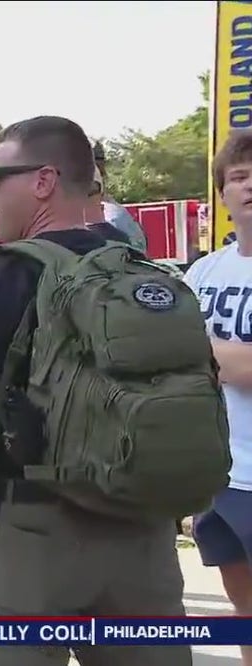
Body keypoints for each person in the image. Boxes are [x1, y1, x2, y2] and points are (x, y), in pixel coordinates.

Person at [0, 117, 193, 666]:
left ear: (44, 181)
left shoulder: (5, 275)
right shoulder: (144, 271)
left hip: (30, 534)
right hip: (142, 534)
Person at [186, 129, 252, 666]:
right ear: (224, 193)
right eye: (240, 177)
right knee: (243, 607)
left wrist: (198, 349)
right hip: (217, 477)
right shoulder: (203, 273)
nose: (250, 187)